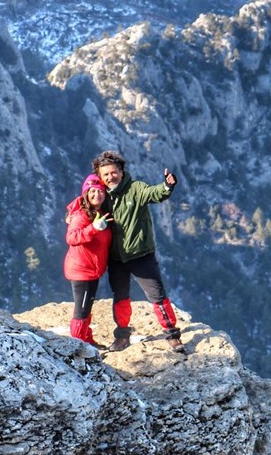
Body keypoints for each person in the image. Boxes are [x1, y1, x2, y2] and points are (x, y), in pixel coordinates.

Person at [91, 150, 185, 353]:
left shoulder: (135, 188)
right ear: (100, 177)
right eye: (105, 174)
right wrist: (70, 216)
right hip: (116, 257)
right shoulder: (102, 195)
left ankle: (172, 335)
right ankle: (122, 337)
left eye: (113, 172)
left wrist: (168, 185)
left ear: (122, 172)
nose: (110, 177)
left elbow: (155, 193)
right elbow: (83, 205)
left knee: (157, 295)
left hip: (141, 254)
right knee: (121, 297)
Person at [63, 173, 112, 348]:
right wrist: (93, 229)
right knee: (81, 310)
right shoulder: (82, 215)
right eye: (92, 192)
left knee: (87, 307)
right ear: (85, 193)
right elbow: (72, 237)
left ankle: (86, 339)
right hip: (82, 270)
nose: (96, 195)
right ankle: (77, 346)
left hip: (91, 270)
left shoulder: (98, 213)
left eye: (100, 191)